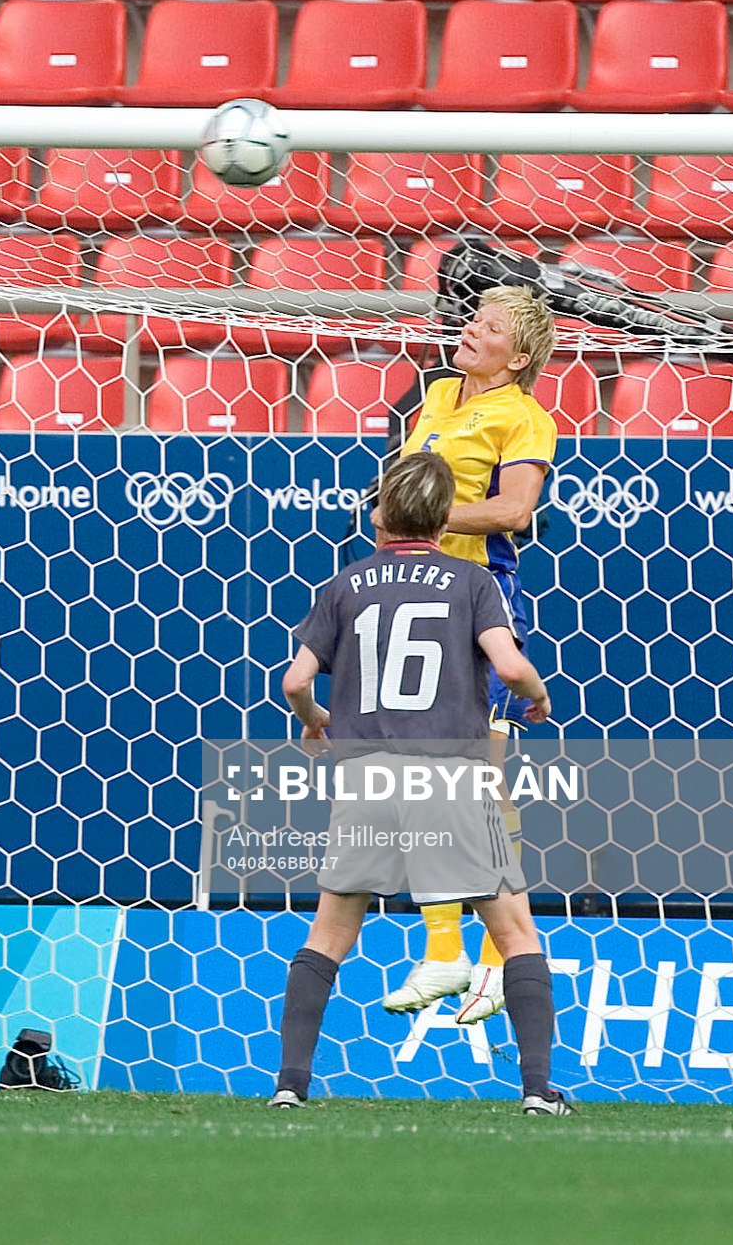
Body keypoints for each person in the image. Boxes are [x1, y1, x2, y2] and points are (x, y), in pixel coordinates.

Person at [270, 452, 570, 1115]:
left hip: (367, 775)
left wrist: (315, 719)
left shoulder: (347, 584)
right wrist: (536, 695)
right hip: (451, 773)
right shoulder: (470, 581)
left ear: (381, 514)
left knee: (329, 932)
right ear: (441, 517)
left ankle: (290, 1085)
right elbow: (508, 663)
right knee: (516, 931)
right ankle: (536, 1090)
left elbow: (294, 681)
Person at [382, 285, 559, 1026]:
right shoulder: (442, 394)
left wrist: (421, 511)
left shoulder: (526, 417)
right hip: (417, 596)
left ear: (517, 357)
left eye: (488, 327)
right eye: (472, 318)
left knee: (478, 787)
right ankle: (446, 951)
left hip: (478, 601)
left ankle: (495, 961)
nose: (470, 330)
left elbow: (515, 511)